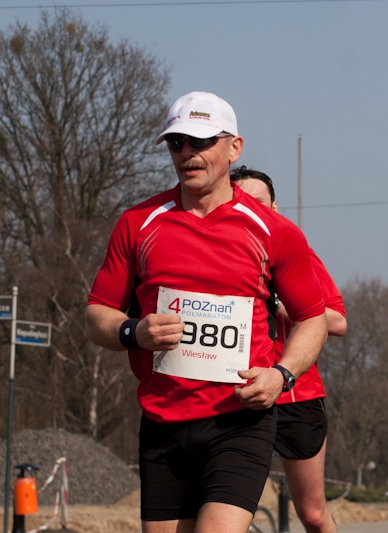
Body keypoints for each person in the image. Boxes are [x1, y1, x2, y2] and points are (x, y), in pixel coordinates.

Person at [85, 91, 328, 533]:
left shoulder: (273, 231)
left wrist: (282, 374)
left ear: (234, 147)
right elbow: (97, 313)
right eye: (177, 143)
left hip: (239, 420)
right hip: (163, 421)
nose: (187, 154)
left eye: (200, 141)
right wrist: (133, 332)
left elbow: (313, 317)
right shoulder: (137, 224)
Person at [230, 166, 346, 533]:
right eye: (242, 200)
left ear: (275, 207)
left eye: (259, 202)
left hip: (296, 395)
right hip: (237, 394)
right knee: (228, 511)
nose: (250, 209)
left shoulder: (296, 249)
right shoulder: (218, 254)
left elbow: (338, 321)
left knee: (311, 514)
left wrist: (283, 303)